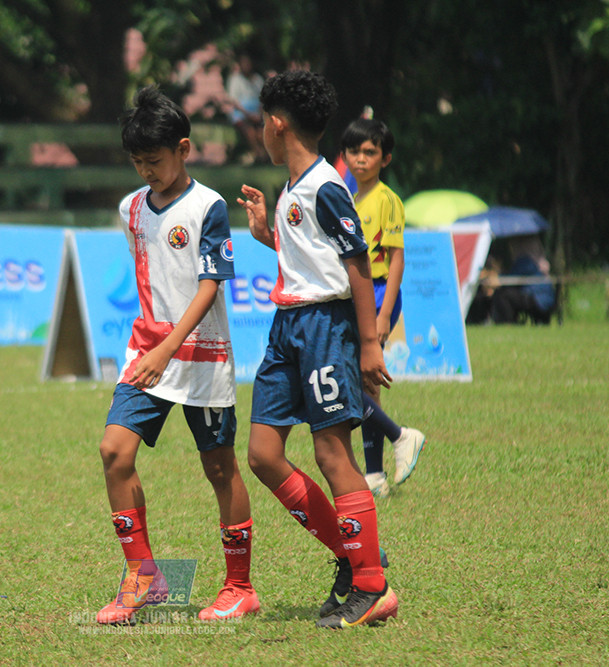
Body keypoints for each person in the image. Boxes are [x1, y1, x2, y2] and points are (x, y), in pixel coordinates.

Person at [237, 70, 398, 629]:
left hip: (325, 329)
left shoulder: (327, 186)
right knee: (262, 454)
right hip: (287, 328)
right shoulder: (293, 189)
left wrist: (369, 342)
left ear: (278, 124)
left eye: (262, 120)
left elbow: (357, 267)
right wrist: (268, 236)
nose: (261, 130)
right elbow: (313, 258)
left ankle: (371, 584)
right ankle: (353, 558)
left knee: (333, 454)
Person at [96, 86, 258, 625]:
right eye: (138, 162)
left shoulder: (209, 207)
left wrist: (171, 347)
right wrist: (156, 347)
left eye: (156, 160)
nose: (146, 171)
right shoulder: (131, 208)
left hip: (201, 358)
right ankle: (144, 579)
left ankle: (239, 587)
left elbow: (211, 287)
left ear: (184, 149)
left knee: (219, 467)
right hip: (148, 352)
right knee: (114, 452)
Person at [339, 119, 426, 498]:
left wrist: (385, 313)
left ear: (385, 158)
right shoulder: (350, 199)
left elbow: (395, 260)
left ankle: (401, 436)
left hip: (375, 294)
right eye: (354, 151)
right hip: (354, 293)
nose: (361, 158)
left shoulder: (387, 200)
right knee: (367, 386)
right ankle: (375, 475)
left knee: (357, 380)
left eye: (370, 152)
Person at [225, 55, 268, 164]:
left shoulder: (257, 79)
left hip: (256, 114)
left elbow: (262, 99)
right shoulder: (235, 80)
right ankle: (258, 154)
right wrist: (248, 114)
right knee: (250, 131)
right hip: (242, 114)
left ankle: (266, 156)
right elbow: (234, 101)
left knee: (261, 133)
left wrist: (258, 114)